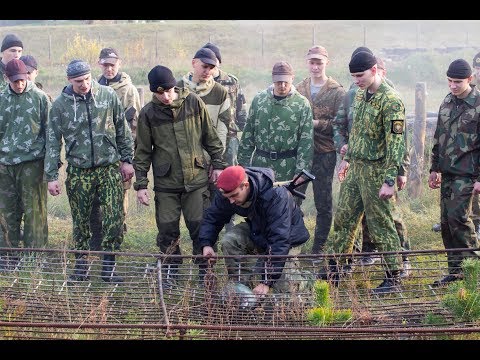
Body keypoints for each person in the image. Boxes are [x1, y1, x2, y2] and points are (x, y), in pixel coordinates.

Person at [133, 65, 227, 286]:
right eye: (159, 93)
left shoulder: (193, 102)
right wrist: (141, 184)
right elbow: (142, 151)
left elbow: (210, 137)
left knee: (200, 226)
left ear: (174, 86)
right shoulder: (148, 113)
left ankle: (204, 268)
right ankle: (171, 269)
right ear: (153, 92)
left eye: (168, 91)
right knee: (167, 229)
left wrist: (219, 164)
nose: (165, 97)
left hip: (196, 179)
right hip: (167, 183)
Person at [44, 59, 134, 283]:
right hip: (79, 171)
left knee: (114, 218)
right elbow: (53, 142)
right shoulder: (60, 106)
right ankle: (81, 266)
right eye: (78, 81)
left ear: (90, 75)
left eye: (86, 79)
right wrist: (51, 177)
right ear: (69, 80)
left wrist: (127, 160)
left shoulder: (107, 95)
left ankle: (108, 267)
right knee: (81, 221)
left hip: (108, 168)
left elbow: (122, 129)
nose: (83, 84)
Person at [326, 49, 406, 294]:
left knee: (380, 224)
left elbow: (396, 145)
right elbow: (357, 133)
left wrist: (389, 180)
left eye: (360, 75)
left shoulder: (391, 101)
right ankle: (335, 271)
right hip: (355, 169)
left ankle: (394, 276)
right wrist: (346, 160)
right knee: (343, 220)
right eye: (353, 76)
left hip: (376, 171)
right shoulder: (360, 96)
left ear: (374, 70)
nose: (357, 80)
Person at [199, 165, 310, 295]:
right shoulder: (228, 191)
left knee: (284, 289)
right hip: (257, 228)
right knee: (229, 241)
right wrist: (206, 244)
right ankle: (241, 288)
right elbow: (213, 216)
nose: (231, 201)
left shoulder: (276, 196)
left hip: (289, 237)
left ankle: (308, 279)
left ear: (245, 185)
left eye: (234, 196)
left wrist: (266, 281)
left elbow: (279, 240)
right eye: (227, 197)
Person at [428, 58, 480, 287]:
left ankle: (474, 270)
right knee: (447, 222)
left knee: (459, 218)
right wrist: (433, 168)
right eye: (449, 81)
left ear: (470, 79)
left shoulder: (478, 104)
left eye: (458, 82)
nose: (453, 86)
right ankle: (456, 270)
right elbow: (438, 137)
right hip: (447, 172)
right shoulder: (447, 102)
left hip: (468, 173)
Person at [89, 47, 142, 251]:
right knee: (97, 197)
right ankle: (99, 233)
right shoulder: (93, 87)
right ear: (99, 64)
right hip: (97, 155)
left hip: (120, 153)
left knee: (119, 196)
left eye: (112, 64)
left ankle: (117, 231)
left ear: (119, 64)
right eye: (105, 64)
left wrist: (127, 157)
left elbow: (133, 126)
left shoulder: (128, 90)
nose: (109, 68)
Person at [237, 61, 314, 200]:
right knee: (258, 207)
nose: (282, 85)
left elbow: (306, 141)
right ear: (273, 79)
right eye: (278, 82)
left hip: (288, 167)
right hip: (260, 166)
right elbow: (248, 134)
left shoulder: (301, 104)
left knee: (287, 209)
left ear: (292, 78)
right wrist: (243, 165)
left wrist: (301, 172)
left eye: (286, 81)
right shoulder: (259, 100)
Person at [0, 59, 50, 269]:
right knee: (6, 212)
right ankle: (7, 256)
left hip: (32, 163)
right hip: (4, 164)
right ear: (6, 79)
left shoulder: (40, 98)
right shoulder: (1, 99)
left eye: (22, 80)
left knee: (34, 212)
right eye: (15, 81)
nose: (19, 84)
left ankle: (35, 258)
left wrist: (50, 166)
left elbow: (51, 134)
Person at [295, 45, 346, 253]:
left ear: (327, 63)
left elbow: (340, 124)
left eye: (319, 62)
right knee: (293, 198)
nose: (315, 67)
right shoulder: (299, 89)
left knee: (323, 202)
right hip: (301, 153)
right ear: (307, 63)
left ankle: (319, 247)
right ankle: (293, 240)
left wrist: (317, 124)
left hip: (324, 153)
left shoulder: (336, 92)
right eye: (312, 62)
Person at [202, 42, 248, 232]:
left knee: (228, 184)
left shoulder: (232, 81)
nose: (210, 68)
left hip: (229, 142)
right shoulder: (196, 84)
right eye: (206, 63)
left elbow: (241, 112)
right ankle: (208, 226)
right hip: (203, 143)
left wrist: (238, 131)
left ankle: (230, 226)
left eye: (214, 63)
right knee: (204, 186)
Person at [177, 47, 232, 201]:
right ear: (194, 63)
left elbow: (223, 130)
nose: (208, 71)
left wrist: (217, 161)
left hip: (210, 159)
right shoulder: (177, 88)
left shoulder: (220, 92)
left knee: (214, 204)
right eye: (204, 66)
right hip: (184, 161)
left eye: (212, 68)